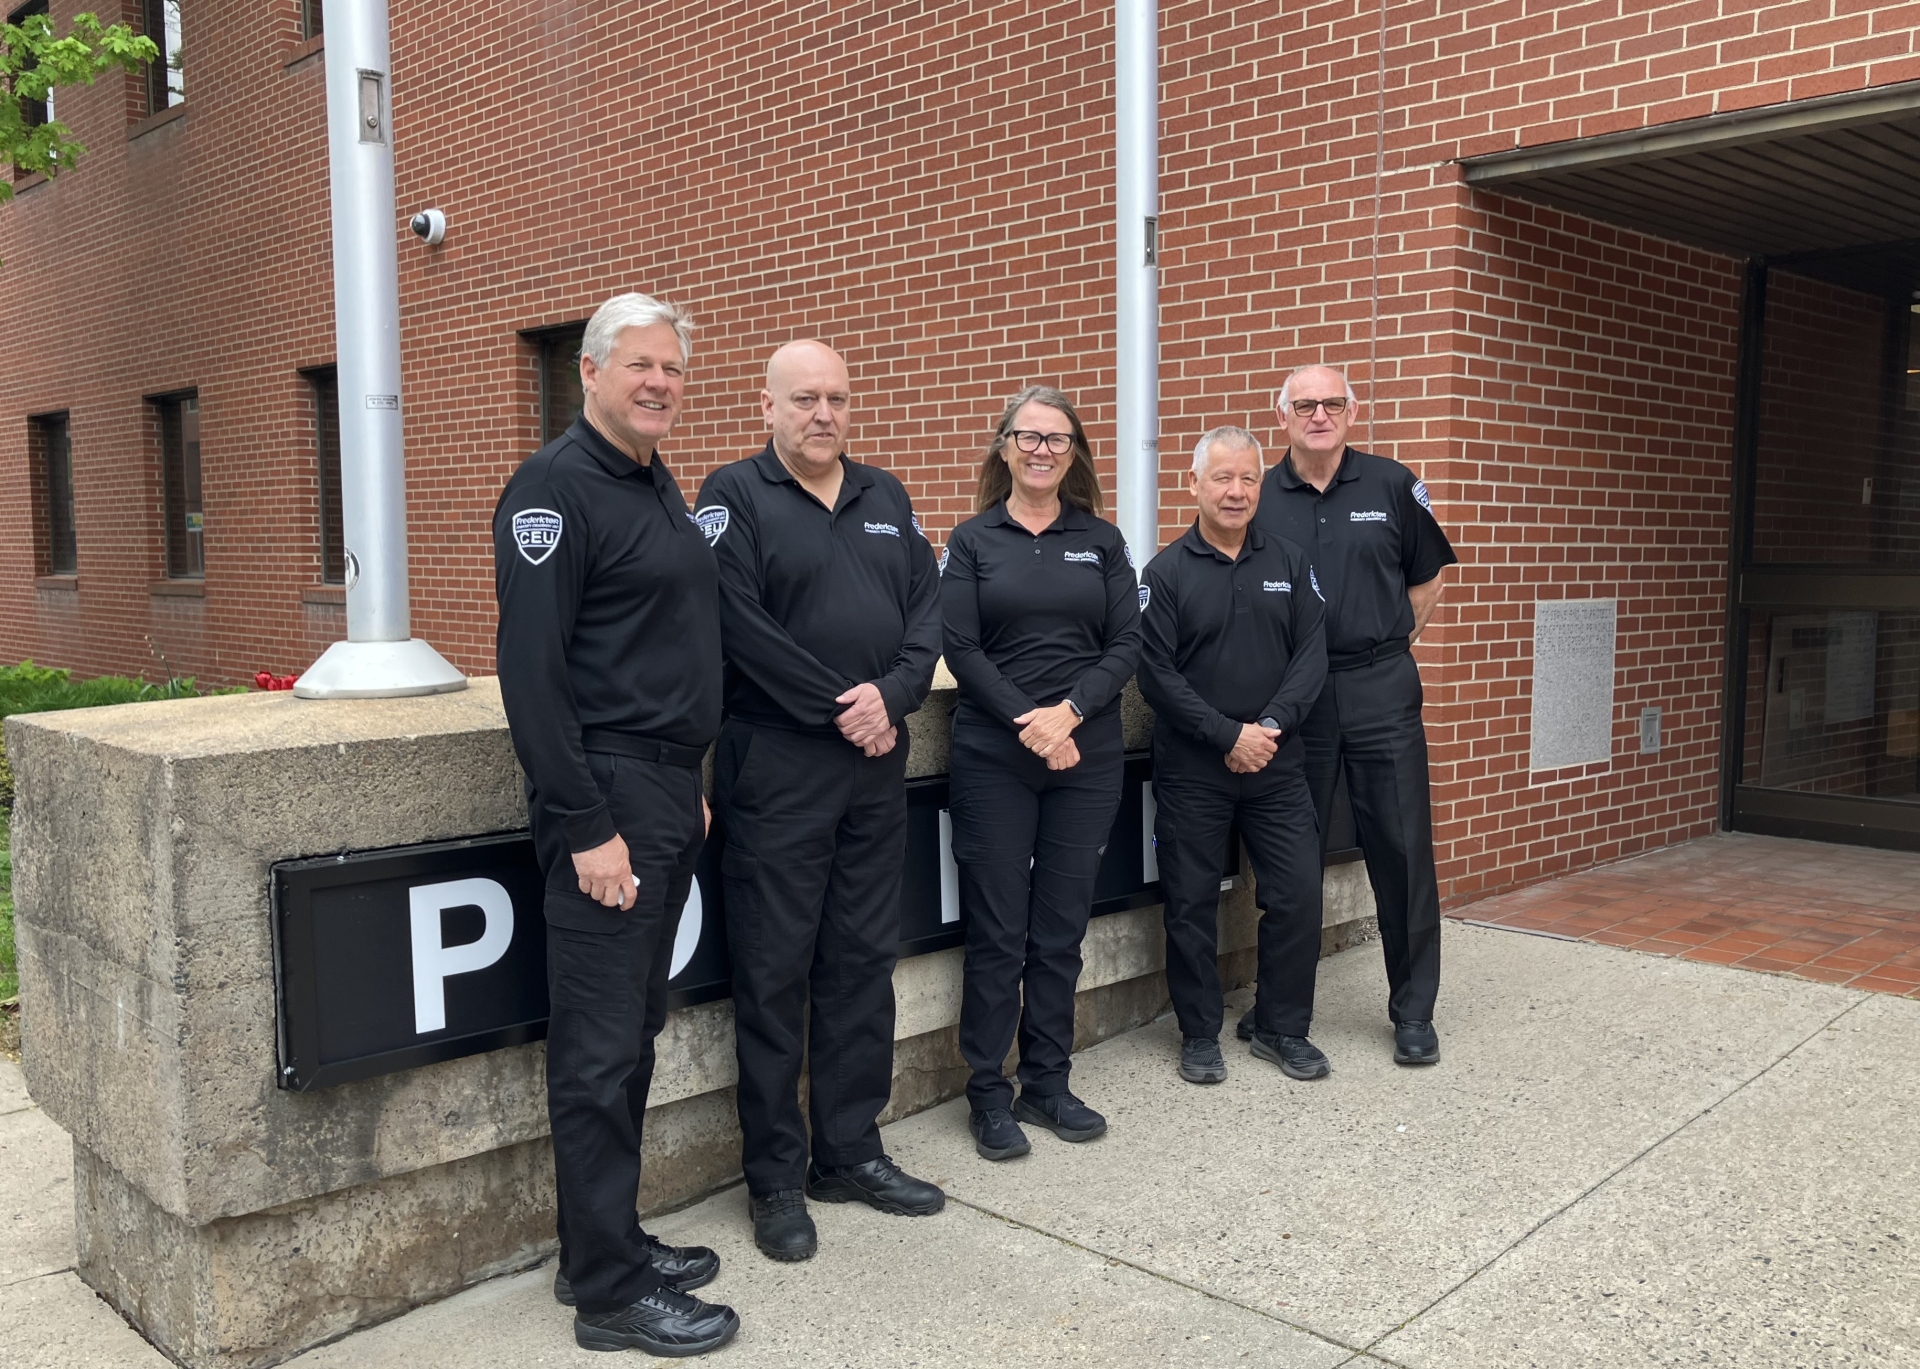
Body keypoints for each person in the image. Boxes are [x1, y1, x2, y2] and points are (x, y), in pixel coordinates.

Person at [493, 292, 739, 1356]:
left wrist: (688, 780)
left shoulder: (652, 480)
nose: (659, 383)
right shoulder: (553, 488)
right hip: (605, 798)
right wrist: (588, 824)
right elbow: (533, 677)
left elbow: (659, 645)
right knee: (597, 1053)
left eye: (673, 368)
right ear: (588, 372)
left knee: (633, 1033)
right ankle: (607, 1293)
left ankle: (606, 1242)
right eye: (640, 364)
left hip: (664, 789)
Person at [698, 340, 946, 1263]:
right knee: (773, 975)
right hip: (779, 764)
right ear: (766, 405)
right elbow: (739, 626)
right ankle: (774, 1176)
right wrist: (847, 708)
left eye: (837, 397)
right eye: (804, 398)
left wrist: (897, 695)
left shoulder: (886, 495)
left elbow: (929, 612)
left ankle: (849, 1151)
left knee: (862, 962)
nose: (823, 413)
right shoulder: (733, 494)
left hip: (874, 768)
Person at [941, 385, 1143, 1162]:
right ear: (1004, 447)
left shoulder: (1102, 540)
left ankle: (1048, 1082)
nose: (1041, 449)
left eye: (1057, 438)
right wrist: (1033, 721)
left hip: (1085, 757)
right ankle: (988, 1093)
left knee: (1059, 930)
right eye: (1028, 436)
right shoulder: (972, 541)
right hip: (996, 756)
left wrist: (1071, 714)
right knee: (998, 932)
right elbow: (961, 648)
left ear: (1074, 453)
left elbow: (1126, 643)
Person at [1241, 364, 1457, 1066]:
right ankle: (1278, 1009)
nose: (1319, 415)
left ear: (1352, 412)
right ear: (1282, 416)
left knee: (1401, 850)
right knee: (1289, 857)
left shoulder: (1392, 485)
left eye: (1332, 403)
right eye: (1305, 404)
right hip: (1293, 698)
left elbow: (1427, 580)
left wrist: (1384, 644)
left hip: (1379, 687)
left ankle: (1414, 1012)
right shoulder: (1258, 494)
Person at [1138, 427, 1328, 1085]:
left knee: (1298, 895)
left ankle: (1280, 1026)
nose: (1237, 491)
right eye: (1222, 477)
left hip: (1277, 764)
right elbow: (1157, 675)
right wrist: (1227, 735)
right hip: (1194, 770)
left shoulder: (1292, 563)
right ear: (1193, 483)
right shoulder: (1165, 573)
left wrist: (1267, 728)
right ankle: (1198, 1034)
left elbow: (1311, 657)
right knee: (1190, 904)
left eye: (1249, 478)